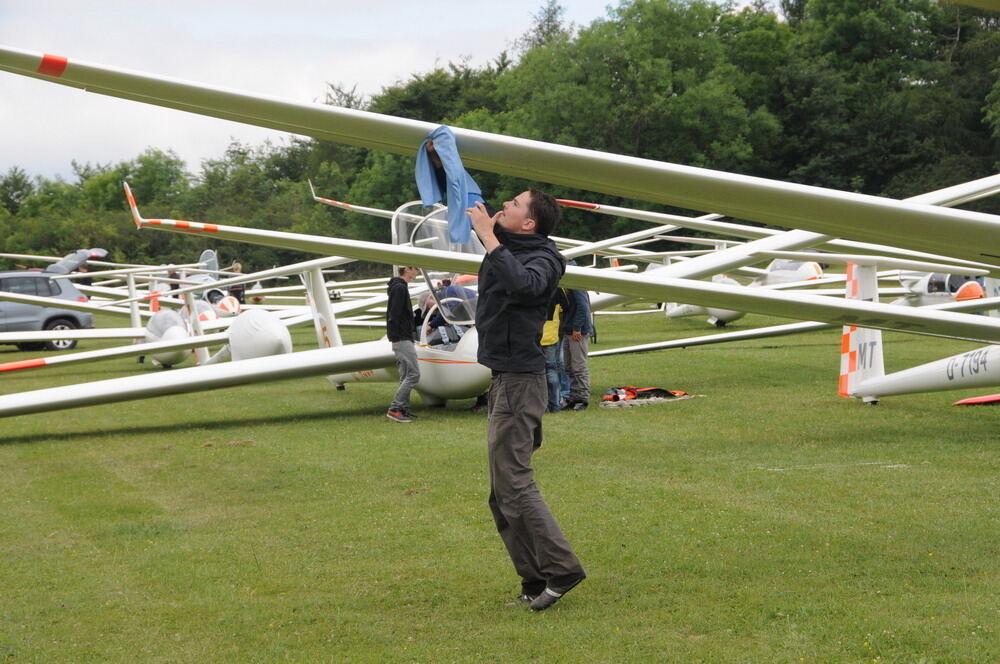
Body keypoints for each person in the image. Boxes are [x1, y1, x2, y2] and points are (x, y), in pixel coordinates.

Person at [466, 189, 586, 611]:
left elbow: (526, 285)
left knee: (515, 482)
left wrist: (491, 238)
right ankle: (534, 581)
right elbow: (501, 248)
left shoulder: (546, 259)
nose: (505, 207)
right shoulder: (513, 245)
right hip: (505, 378)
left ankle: (563, 568)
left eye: (514, 205)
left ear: (530, 223)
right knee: (501, 492)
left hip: (522, 381)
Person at [386, 266, 421, 423]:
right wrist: (398, 335)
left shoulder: (399, 287)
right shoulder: (400, 288)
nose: (418, 272)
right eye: (416, 269)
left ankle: (403, 409)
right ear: (407, 269)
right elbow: (394, 315)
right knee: (414, 374)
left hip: (401, 336)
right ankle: (395, 408)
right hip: (401, 337)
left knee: (406, 374)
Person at [562, 286, 593, 410]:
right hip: (569, 329)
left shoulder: (576, 284)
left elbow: (583, 306)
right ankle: (573, 397)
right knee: (569, 366)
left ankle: (582, 398)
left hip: (577, 331)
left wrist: (577, 327)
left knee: (578, 366)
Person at [542, 288, 569, 412]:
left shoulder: (533, 286)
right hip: (551, 337)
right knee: (552, 371)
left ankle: (541, 404)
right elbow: (565, 307)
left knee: (535, 373)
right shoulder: (557, 290)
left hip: (535, 336)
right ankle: (555, 405)